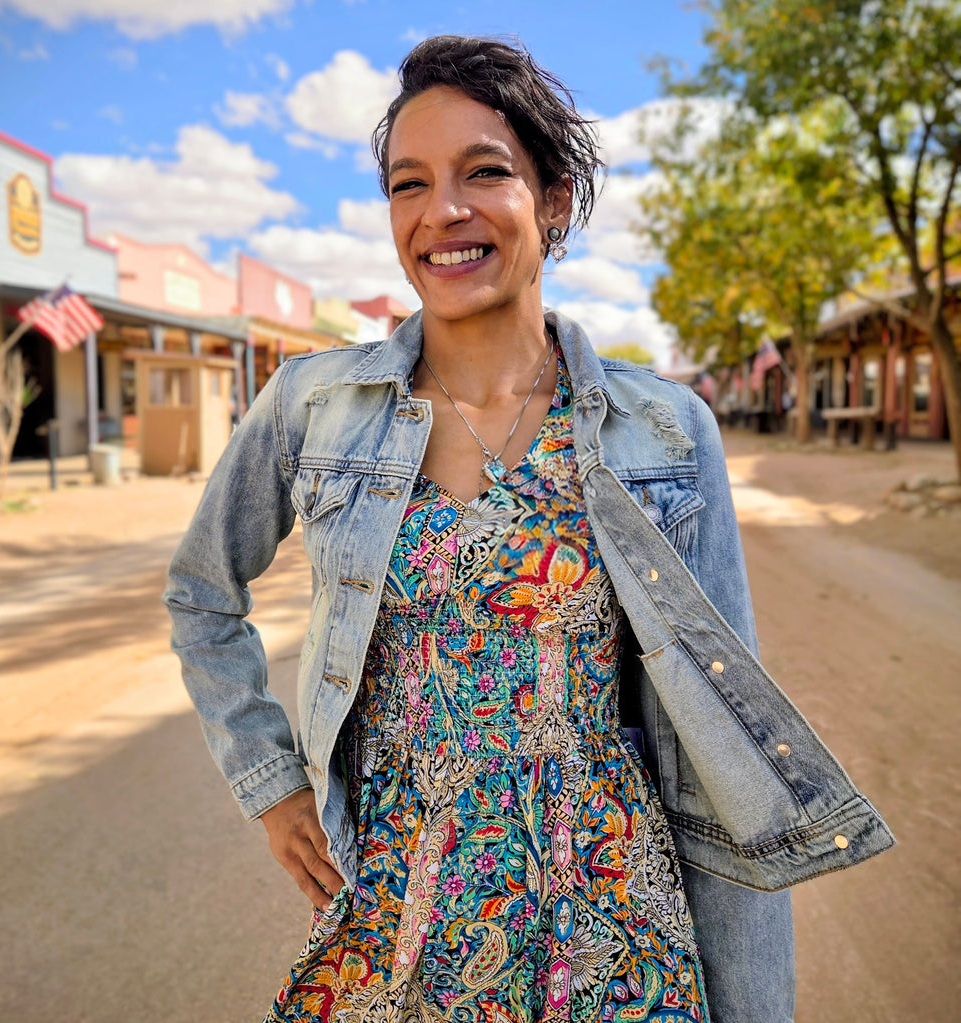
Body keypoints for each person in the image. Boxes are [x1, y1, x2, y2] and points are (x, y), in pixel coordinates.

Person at [164, 35, 893, 1023]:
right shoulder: (312, 406)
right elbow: (203, 594)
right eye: (407, 184)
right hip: (396, 906)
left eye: (485, 172)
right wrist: (271, 784)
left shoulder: (663, 430)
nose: (442, 213)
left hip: (608, 912)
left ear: (552, 200)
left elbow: (720, 746)